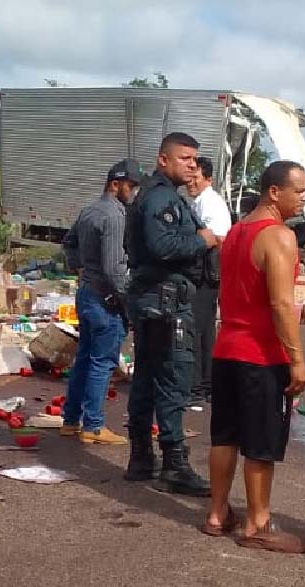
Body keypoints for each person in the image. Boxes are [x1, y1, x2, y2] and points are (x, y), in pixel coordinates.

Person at [203, 160, 305, 553]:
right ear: (273, 192)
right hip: (260, 354)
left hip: (227, 346)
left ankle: (217, 513)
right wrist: (297, 358)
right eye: (298, 191)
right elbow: (282, 303)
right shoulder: (278, 236)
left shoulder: (235, 233)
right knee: (260, 442)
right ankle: (257, 523)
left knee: (225, 435)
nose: (303, 199)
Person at [123, 132, 220, 495]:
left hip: (155, 298)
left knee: (148, 377)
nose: (192, 165)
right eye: (185, 159)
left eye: (195, 160)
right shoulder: (160, 197)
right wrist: (203, 241)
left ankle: (141, 459)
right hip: (165, 302)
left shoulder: (157, 195)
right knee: (173, 379)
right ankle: (174, 465)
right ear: (163, 160)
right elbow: (162, 246)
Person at [60, 160, 142, 444]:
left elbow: (69, 242)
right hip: (105, 299)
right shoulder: (114, 216)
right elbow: (114, 269)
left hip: (86, 293)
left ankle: (70, 419)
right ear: (115, 184)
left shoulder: (90, 210)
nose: (133, 193)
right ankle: (93, 425)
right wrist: (129, 305)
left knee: (84, 358)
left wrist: (79, 267)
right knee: (102, 362)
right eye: (131, 186)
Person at [187, 156, 232, 404]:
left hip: (206, 274)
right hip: (208, 273)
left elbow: (217, 238)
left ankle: (199, 385)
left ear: (208, 179)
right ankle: (204, 383)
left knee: (196, 330)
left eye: (196, 178)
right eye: (189, 177)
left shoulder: (209, 203)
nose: (190, 182)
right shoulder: (200, 202)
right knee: (203, 330)